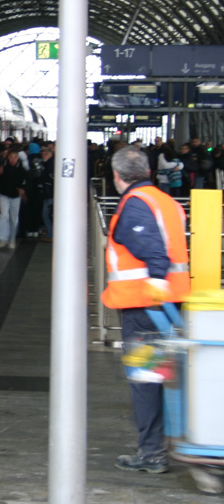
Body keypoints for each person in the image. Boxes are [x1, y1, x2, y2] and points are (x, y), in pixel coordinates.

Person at [103, 146, 190, 474]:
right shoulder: (165, 201)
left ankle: (152, 452)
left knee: (146, 378)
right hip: (168, 303)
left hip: (146, 306)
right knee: (161, 374)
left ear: (116, 176)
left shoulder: (135, 205)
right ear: (149, 171)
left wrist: (155, 282)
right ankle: (163, 442)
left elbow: (155, 253)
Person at [0, 148, 27, 249]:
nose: (13, 159)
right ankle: (3, 238)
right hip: (3, 194)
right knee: (4, 215)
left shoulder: (22, 169)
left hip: (15, 196)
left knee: (14, 218)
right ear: (8, 158)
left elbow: (27, 181)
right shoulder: (3, 167)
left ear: (18, 158)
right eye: (11, 157)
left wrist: (22, 189)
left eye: (15, 157)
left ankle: (12, 239)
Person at [39, 146, 54, 241]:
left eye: (46, 153)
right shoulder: (47, 163)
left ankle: (50, 235)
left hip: (50, 193)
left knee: (46, 214)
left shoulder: (50, 164)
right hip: (48, 192)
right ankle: (50, 233)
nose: (43, 155)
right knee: (48, 214)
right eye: (43, 153)